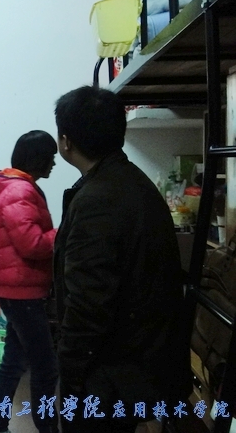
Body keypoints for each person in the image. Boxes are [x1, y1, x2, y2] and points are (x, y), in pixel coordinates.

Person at [53, 86, 191, 433]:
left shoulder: (97, 200)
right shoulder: (131, 182)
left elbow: (87, 305)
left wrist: (69, 380)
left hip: (110, 375)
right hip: (136, 365)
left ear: (66, 142)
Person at [0, 130, 59, 433]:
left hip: (17, 290)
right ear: (37, 159)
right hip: (22, 293)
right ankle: (47, 427)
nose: (54, 163)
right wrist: (63, 233)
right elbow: (33, 244)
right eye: (50, 157)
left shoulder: (19, 187)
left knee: (14, 362)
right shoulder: (21, 191)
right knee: (45, 366)